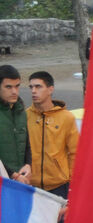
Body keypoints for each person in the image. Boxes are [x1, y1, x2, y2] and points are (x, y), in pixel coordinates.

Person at [26, 71, 78, 199]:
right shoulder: (25, 116)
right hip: (30, 185)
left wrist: (72, 181)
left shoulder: (67, 118)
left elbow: (75, 152)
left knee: (58, 220)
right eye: (31, 87)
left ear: (50, 89)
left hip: (59, 185)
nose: (33, 91)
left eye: (38, 86)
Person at [0, 65, 31, 184]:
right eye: (8, 87)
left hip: (20, 180)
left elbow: (26, 143)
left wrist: (28, 164)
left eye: (17, 86)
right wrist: (12, 174)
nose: (14, 91)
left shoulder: (20, 110)